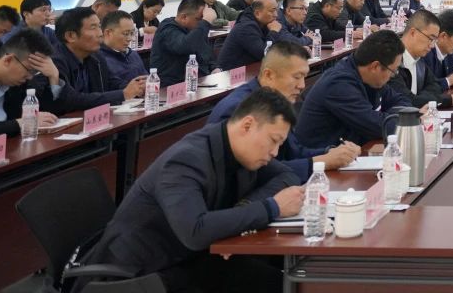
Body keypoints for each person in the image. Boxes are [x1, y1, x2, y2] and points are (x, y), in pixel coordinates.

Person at [75, 89, 304, 293]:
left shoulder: (240, 150)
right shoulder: (186, 160)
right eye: (273, 140)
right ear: (247, 125)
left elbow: (288, 176)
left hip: (188, 259)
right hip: (141, 273)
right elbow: (195, 231)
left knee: (280, 284)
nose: (275, 152)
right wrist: (271, 208)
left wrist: (245, 208)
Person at [207, 41, 359, 179]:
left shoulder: (276, 102)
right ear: (269, 75)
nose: (302, 85)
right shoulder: (237, 109)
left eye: (304, 77)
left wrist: (332, 152)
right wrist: (321, 162)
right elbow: (253, 173)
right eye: (297, 77)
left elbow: (294, 152)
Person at [295, 30, 409, 148]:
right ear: (375, 66)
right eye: (393, 71)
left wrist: (395, 117)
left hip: (350, 152)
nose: (392, 76)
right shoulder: (339, 84)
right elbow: (378, 127)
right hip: (321, 157)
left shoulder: (369, 77)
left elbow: (402, 101)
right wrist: (399, 118)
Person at [50, 8, 144, 113]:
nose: (100, 33)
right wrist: (123, 94)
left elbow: (111, 82)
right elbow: (71, 100)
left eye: (99, 26)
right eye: (93, 28)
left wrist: (138, 87)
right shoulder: (54, 62)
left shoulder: (96, 57)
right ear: (71, 36)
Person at [0, 29, 61, 139]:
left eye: (35, 73)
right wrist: (20, 123)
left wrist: (54, 76)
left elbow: (48, 114)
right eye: (30, 70)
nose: (30, 77)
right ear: (8, 60)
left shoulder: (18, 84)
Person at [389, 10, 453, 109]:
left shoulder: (419, 59)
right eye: (430, 39)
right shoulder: (391, 60)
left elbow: (435, 86)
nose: (432, 46)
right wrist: (450, 100)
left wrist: (420, 99)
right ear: (413, 33)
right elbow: (408, 101)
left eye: (434, 40)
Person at [150, 0, 217, 86]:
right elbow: (185, 46)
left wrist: (214, 68)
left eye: (203, 19)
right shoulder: (167, 29)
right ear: (184, 17)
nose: (201, 23)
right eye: (199, 19)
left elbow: (207, 55)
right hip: (171, 87)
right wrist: (206, 22)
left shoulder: (195, 30)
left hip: (197, 82)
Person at [218, 0, 292, 71]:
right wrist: (274, 32)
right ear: (257, 13)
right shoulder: (246, 27)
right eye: (272, 11)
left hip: (251, 68)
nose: (276, 15)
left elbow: (279, 46)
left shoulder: (265, 23)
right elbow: (265, 54)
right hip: (232, 73)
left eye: (277, 10)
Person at [98, 11, 149, 92]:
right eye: (125, 33)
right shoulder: (98, 60)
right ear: (108, 33)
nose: (130, 39)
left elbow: (146, 78)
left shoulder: (133, 54)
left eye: (132, 33)